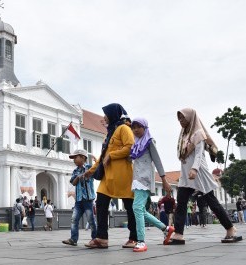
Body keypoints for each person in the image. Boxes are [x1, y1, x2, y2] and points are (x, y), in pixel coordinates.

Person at [168, 108, 242, 245]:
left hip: (199, 172)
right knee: (181, 202)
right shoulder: (183, 135)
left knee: (212, 202)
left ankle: (231, 229)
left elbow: (199, 154)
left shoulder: (198, 134)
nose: (180, 121)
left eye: (183, 118)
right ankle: (178, 234)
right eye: (179, 119)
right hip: (186, 174)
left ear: (190, 118)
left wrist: (195, 169)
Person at [84, 103, 136, 249]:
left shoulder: (124, 128)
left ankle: (134, 237)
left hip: (123, 175)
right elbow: (102, 156)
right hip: (108, 177)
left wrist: (112, 155)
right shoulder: (111, 132)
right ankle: (101, 238)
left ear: (113, 114)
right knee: (100, 203)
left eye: (106, 114)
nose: (104, 117)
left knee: (129, 207)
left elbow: (130, 147)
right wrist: (91, 171)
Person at [128, 118, 175, 252]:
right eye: (134, 127)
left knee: (136, 207)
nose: (136, 129)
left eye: (139, 127)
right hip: (136, 179)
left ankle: (141, 241)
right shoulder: (136, 144)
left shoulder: (149, 142)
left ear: (145, 128)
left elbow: (157, 160)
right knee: (141, 210)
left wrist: (164, 179)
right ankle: (166, 229)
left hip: (145, 179)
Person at [62, 149, 97, 246]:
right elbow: (73, 182)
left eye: (75, 157)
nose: (74, 160)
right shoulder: (75, 171)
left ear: (83, 157)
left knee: (90, 220)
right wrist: (78, 177)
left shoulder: (89, 168)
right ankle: (73, 239)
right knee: (74, 219)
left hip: (88, 199)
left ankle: (95, 238)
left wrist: (96, 163)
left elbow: (97, 173)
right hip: (78, 199)